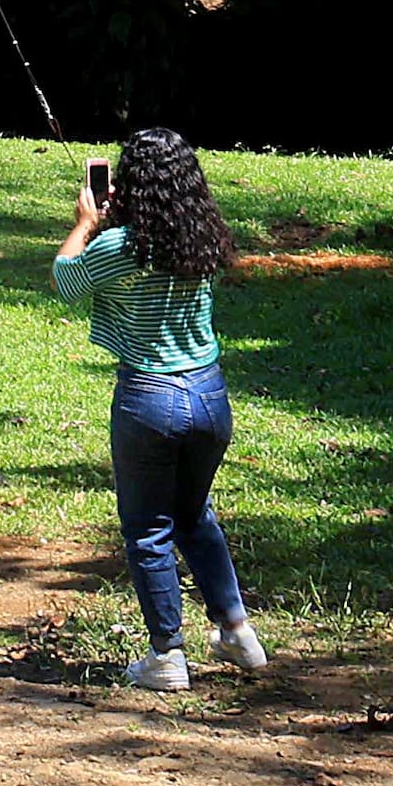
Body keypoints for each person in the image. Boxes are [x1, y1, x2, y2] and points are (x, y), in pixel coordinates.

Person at [53, 125, 266, 691]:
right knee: (194, 514)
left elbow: (65, 280)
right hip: (210, 394)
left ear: (130, 187)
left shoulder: (120, 248)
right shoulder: (201, 239)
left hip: (149, 399)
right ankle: (237, 630)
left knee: (148, 529)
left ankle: (167, 656)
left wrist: (85, 223)